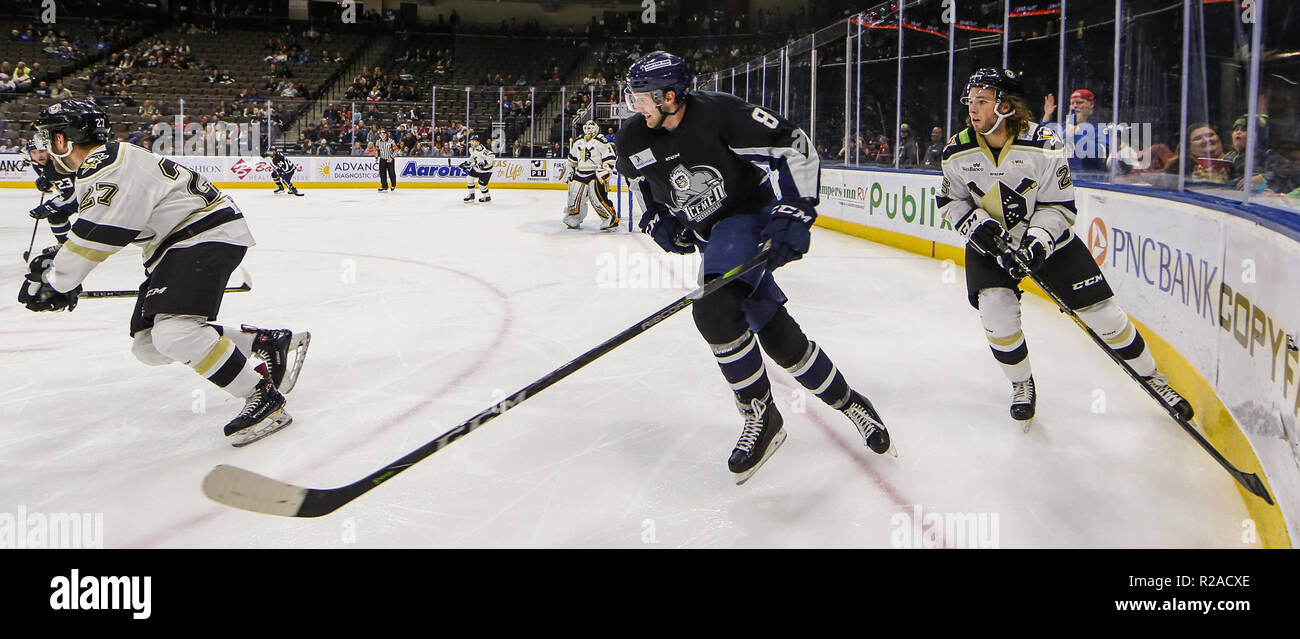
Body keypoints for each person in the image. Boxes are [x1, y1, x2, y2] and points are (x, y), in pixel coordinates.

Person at [614, 51, 893, 484]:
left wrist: (795, 212)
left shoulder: (719, 114)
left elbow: (793, 145)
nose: (636, 106)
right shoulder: (633, 137)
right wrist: (658, 222)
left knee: (712, 309)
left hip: (746, 219)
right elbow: (640, 185)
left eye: (643, 98)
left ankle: (760, 414)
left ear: (669, 96)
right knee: (777, 335)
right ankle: (851, 402)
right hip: (712, 239)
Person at [20, 99, 309, 447]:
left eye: (48, 137)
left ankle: (264, 399)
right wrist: (61, 264)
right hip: (176, 246)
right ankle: (263, 341)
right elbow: (96, 232)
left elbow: (96, 239)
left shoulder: (107, 166)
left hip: (203, 235)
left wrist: (57, 280)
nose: (45, 146)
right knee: (149, 346)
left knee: (175, 334)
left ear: (62, 140)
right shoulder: (106, 162)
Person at [938, 69, 1192, 428]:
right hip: (991, 247)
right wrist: (979, 230)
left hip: (1049, 244)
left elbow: (1059, 206)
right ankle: (1021, 384)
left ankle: (1153, 379)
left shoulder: (1044, 143)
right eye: (971, 100)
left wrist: (1037, 243)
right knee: (996, 313)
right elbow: (951, 200)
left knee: (1104, 315)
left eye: (983, 100)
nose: (972, 109)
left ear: (1007, 107)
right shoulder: (957, 149)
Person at [562, 120, 619, 231]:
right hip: (580, 173)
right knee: (575, 197)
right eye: (586, 128)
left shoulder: (601, 140)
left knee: (597, 198)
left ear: (596, 129)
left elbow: (609, 157)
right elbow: (572, 160)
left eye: (591, 128)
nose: (588, 130)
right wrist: (569, 169)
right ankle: (574, 217)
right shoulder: (578, 142)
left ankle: (610, 218)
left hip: (595, 174)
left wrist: (606, 169)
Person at [25, 136, 76, 245]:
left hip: (90, 199)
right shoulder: (41, 165)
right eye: (34, 152)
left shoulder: (61, 163)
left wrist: (50, 206)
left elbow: (74, 193)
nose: (39, 155)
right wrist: (46, 181)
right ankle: (65, 246)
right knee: (56, 217)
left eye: (42, 151)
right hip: (80, 199)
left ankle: (73, 249)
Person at [460, 136, 494, 202]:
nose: (471, 142)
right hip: (476, 168)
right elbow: (473, 157)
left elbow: (492, 155)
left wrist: (484, 163)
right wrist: (466, 163)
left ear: (477, 142)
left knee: (481, 185)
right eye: (471, 141)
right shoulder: (471, 149)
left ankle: (487, 197)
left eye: (473, 141)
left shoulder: (481, 149)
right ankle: (471, 195)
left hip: (486, 171)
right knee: (469, 178)